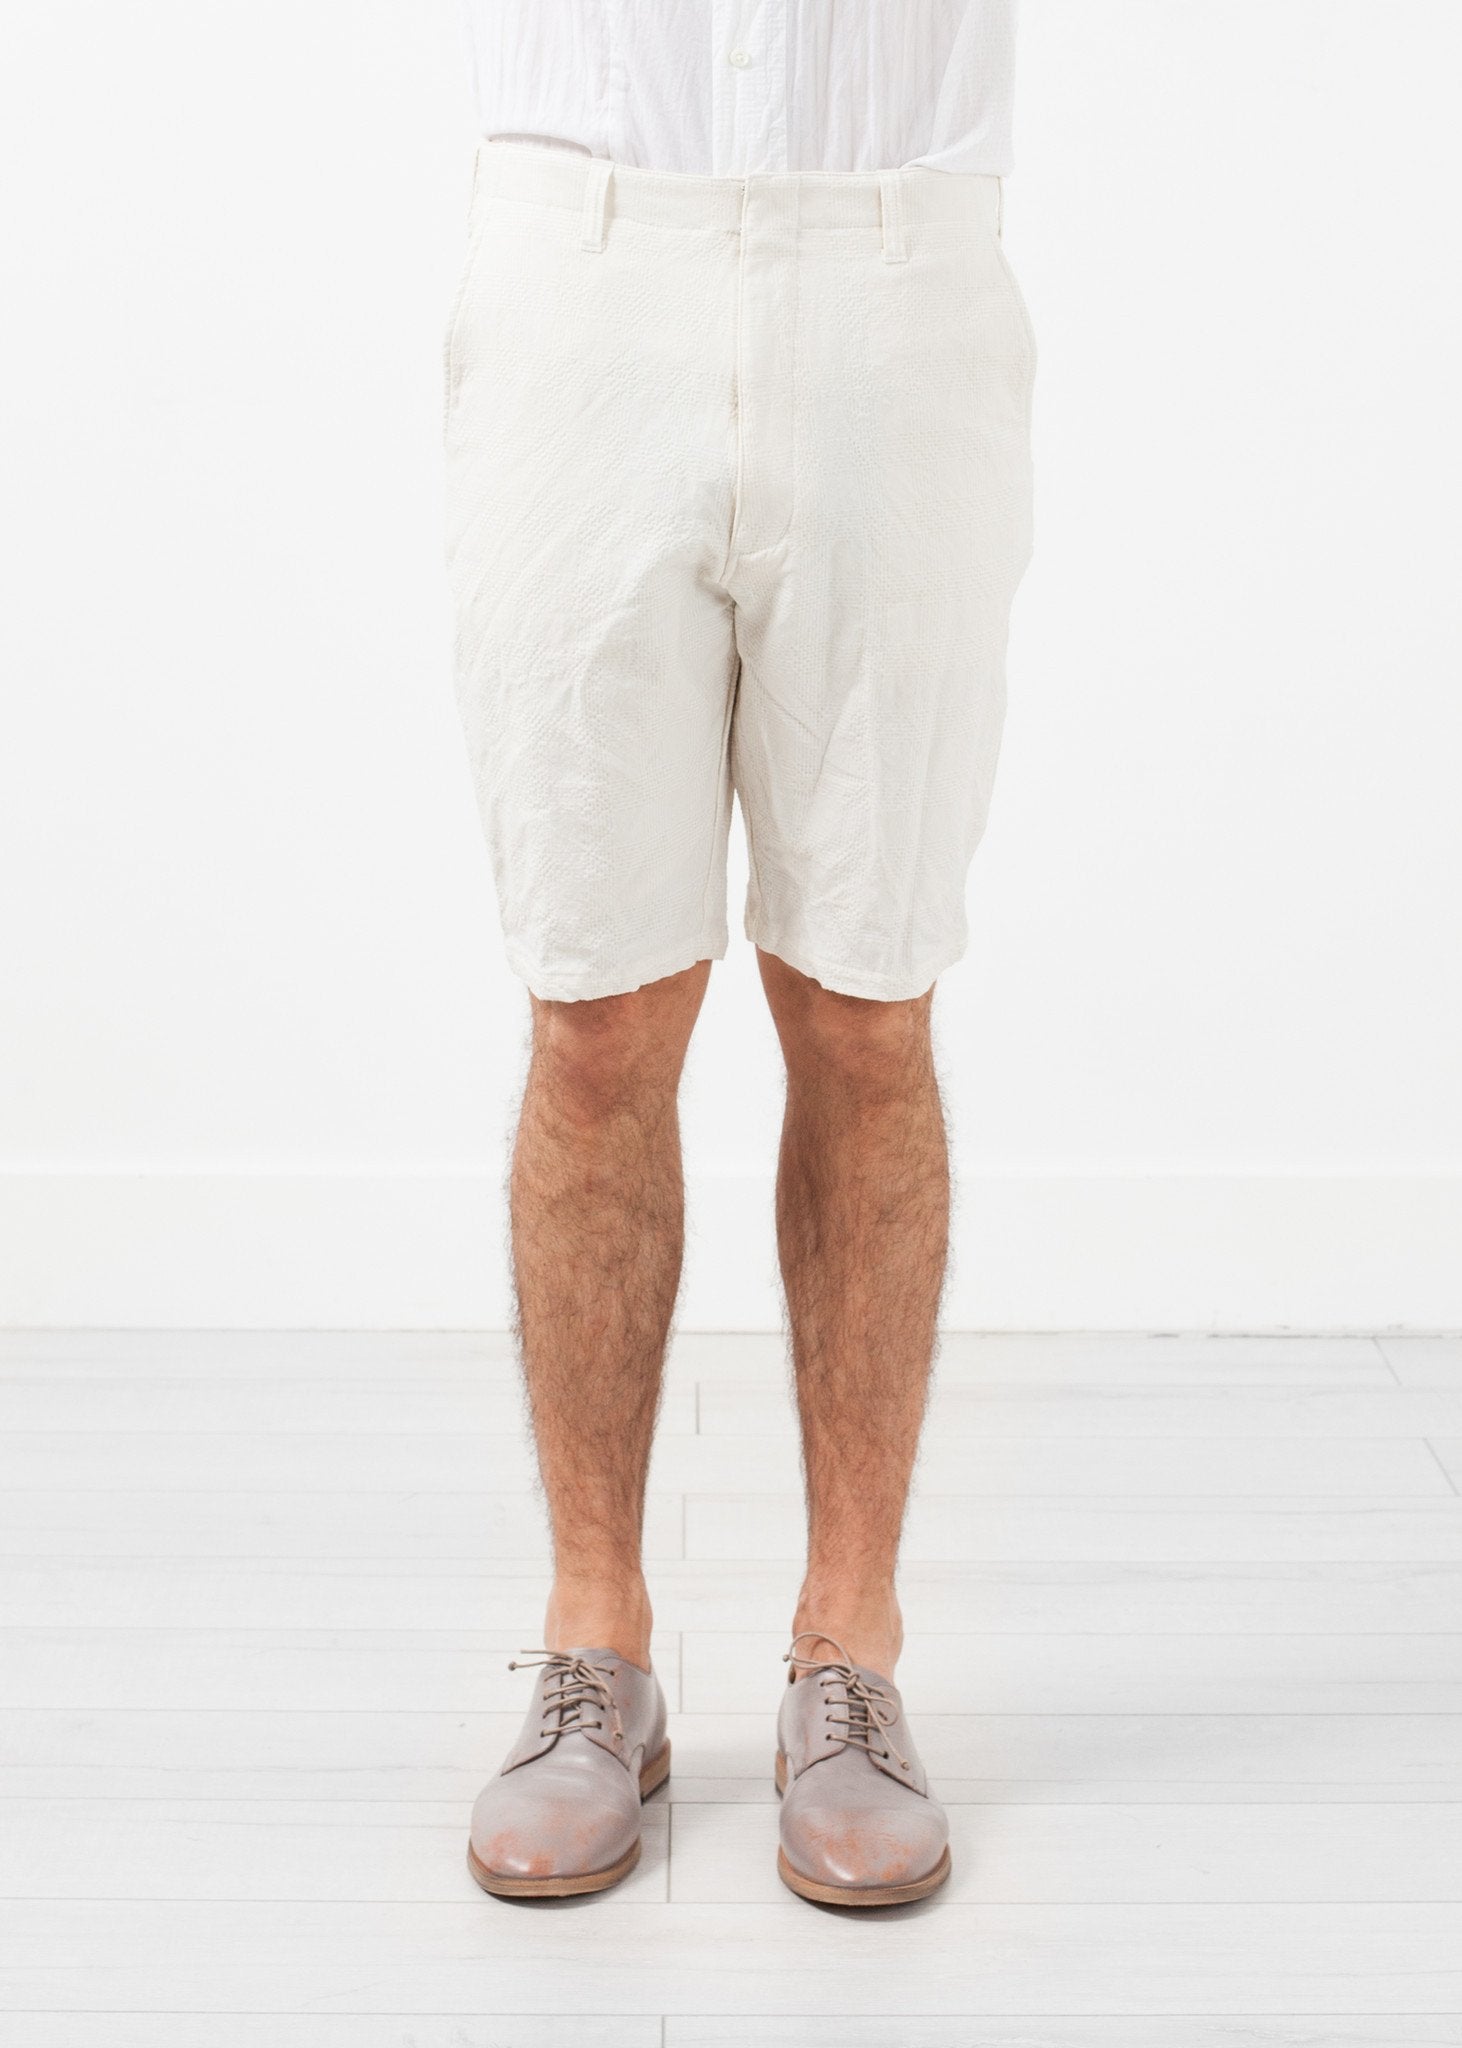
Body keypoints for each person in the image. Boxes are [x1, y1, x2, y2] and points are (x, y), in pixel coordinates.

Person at [445, 1, 1034, 1908]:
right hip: (584, 270)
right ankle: (592, 1645)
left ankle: (847, 1651)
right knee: (595, 1010)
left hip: (895, 270)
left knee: (864, 1004)